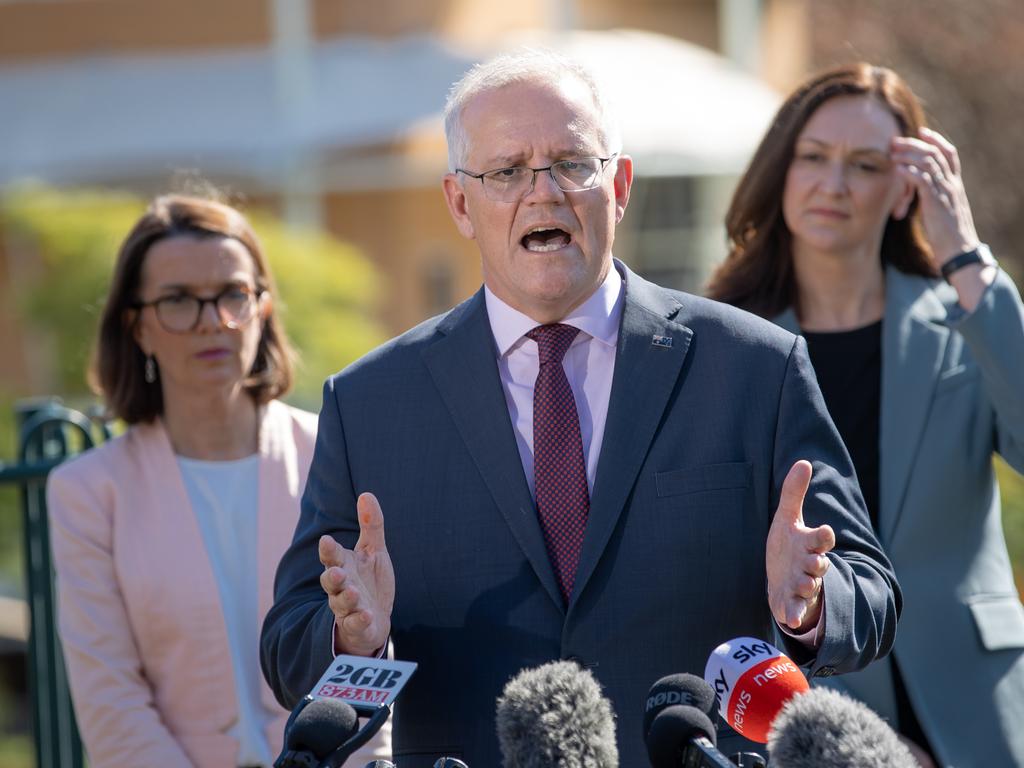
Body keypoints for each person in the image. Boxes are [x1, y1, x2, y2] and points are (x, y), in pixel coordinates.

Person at [261, 51, 900, 766]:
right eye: (506, 171)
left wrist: (808, 607)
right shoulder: (371, 403)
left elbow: (870, 597)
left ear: (618, 186)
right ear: (459, 203)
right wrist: (354, 637)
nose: (544, 194)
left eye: (572, 164)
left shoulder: (756, 368)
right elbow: (290, 653)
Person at [707, 63, 1024, 767]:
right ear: (780, 170)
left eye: (866, 164)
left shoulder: (967, 319)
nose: (834, 184)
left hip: (973, 703)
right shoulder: (730, 340)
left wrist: (964, 253)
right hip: (813, 702)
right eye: (813, 157)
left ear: (906, 184)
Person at [47, 195, 389, 768]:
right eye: (179, 300)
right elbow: (112, 706)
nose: (213, 321)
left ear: (262, 307)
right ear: (138, 327)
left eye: (233, 294)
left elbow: (371, 655)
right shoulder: (87, 492)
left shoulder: (336, 454)